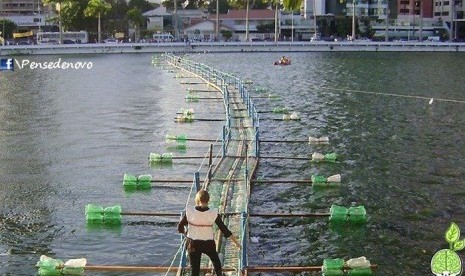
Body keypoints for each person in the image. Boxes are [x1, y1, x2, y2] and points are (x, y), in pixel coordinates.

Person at [178, 189, 241, 276]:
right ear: (208, 200)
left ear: (198, 200)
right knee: (216, 263)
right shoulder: (213, 212)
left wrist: (186, 234)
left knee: (195, 270)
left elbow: (180, 227)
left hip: (193, 244)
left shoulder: (189, 211)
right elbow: (224, 229)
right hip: (208, 243)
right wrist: (237, 243)